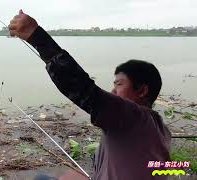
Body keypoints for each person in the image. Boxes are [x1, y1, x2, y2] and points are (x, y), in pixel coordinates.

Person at [9, 10, 171, 180]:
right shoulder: (161, 129)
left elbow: (83, 90)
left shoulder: (134, 118)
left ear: (142, 91)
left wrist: (36, 36)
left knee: (40, 179)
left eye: (119, 84)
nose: (113, 92)